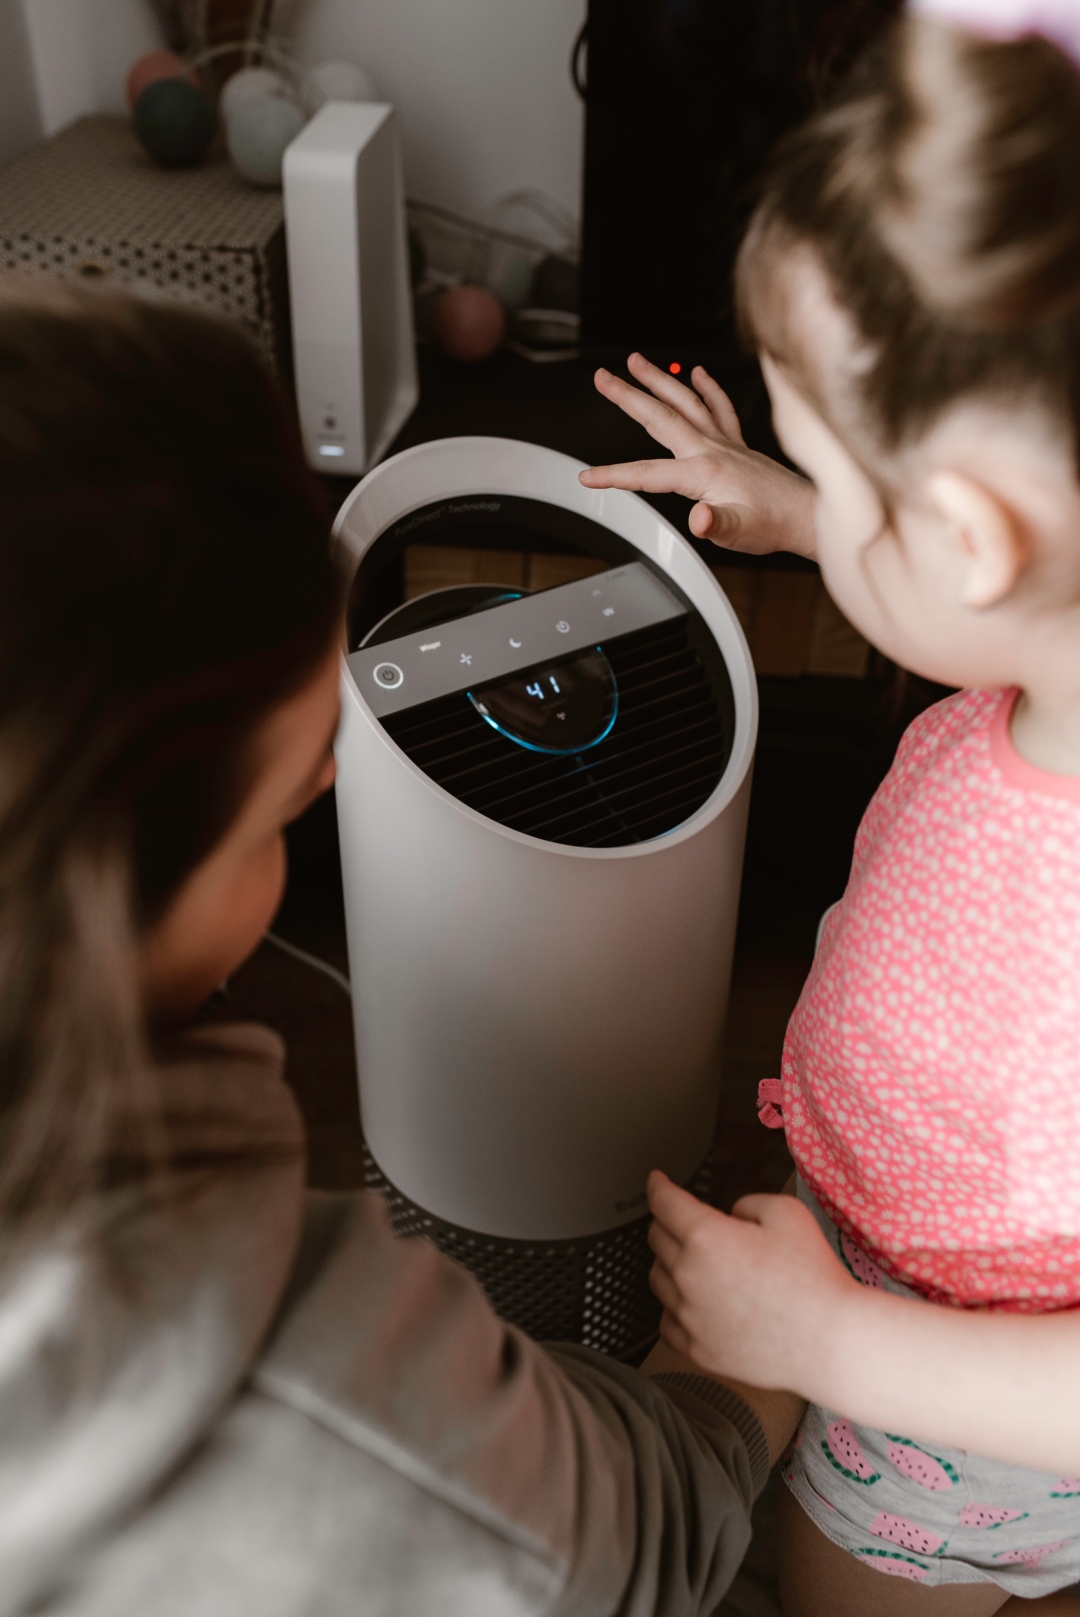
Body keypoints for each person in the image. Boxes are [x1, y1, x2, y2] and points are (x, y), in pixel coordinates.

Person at [0, 276, 805, 1617]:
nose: (332, 782)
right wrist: (791, 1308)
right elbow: (639, 1535)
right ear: (103, 896)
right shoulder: (352, 1421)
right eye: (284, 803)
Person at [579, 2, 1080, 1613]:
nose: (830, 510)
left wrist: (827, 1340)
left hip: (952, 1421)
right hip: (871, 1256)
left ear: (975, 536)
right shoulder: (1044, 649)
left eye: (848, 479)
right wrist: (809, 518)